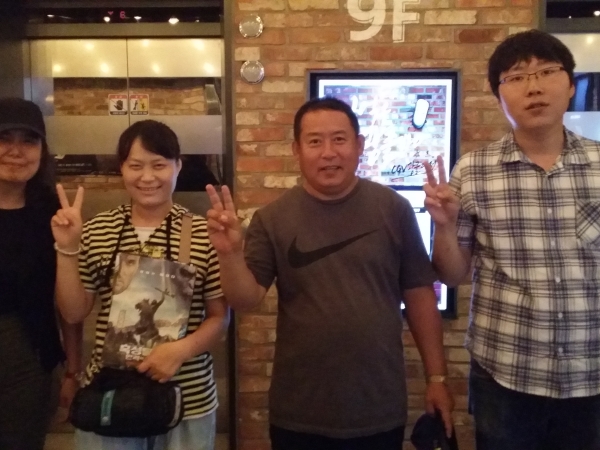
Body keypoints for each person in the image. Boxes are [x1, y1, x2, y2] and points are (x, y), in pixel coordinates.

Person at [206, 97, 454, 450]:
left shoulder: (393, 209)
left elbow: (419, 295)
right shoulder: (273, 218)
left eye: (339, 139)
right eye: (314, 141)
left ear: (359, 145)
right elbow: (245, 299)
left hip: (378, 405)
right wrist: (230, 253)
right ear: (296, 149)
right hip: (299, 408)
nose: (328, 153)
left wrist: (437, 377)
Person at [424, 30, 600, 450]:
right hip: (504, 373)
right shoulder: (473, 171)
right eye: (517, 77)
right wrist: (444, 225)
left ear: (570, 84)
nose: (534, 87)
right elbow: (452, 274)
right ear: (498, 95)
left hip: (591, 375)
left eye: (547, 72)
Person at [52, 119, 229, 450]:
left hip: (187, 399)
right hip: (109, 395)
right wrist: (67, 248)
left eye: (159, 165)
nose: (147, 177)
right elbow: (73, 313)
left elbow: (220, 318)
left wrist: (180, 350)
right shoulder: (97, 230)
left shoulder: (203, 233)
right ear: (122, 168)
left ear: (178, 166)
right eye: (135, 166)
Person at [0, 97, 82, 450]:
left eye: (29, 140)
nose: (16, 151)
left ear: (42, 150)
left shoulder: (51, 212)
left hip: (30, 357)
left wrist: (72, 370)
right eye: (4, 138)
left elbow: (65, 303)